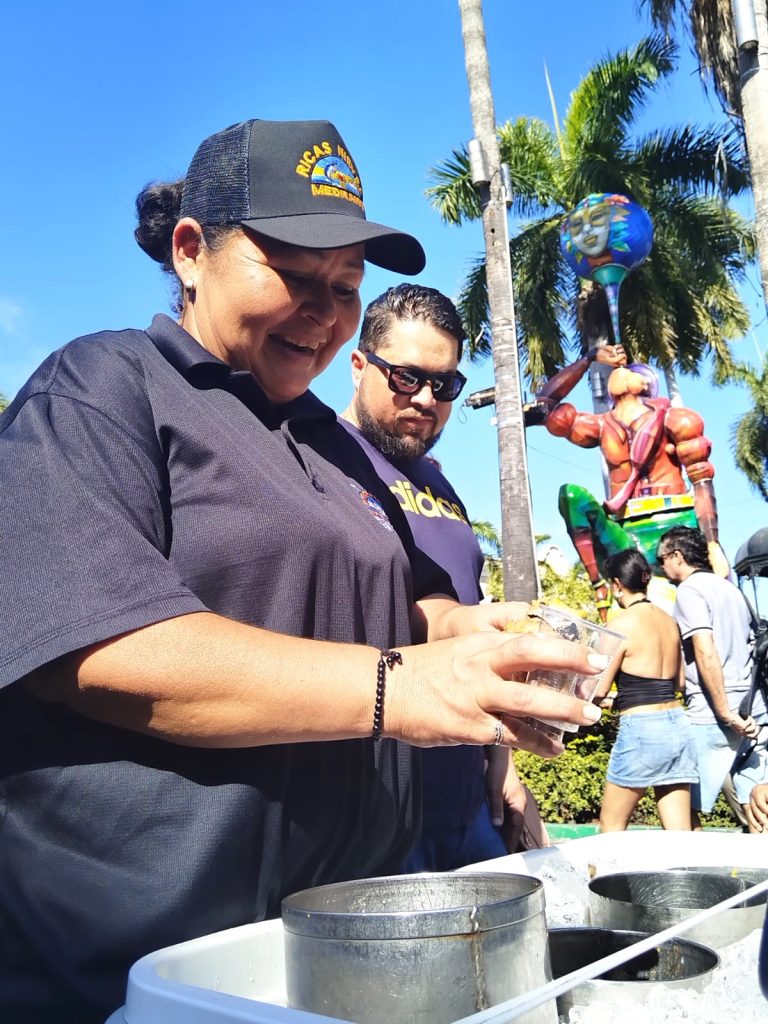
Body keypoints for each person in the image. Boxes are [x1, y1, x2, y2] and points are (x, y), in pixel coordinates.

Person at [0, 118, 604, 1024]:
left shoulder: (331, 442)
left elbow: (402, 608)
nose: (324, 310)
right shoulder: (105, 384)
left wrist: (471, 635)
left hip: (340, 953)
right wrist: (402, 689)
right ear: (192, 250)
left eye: (347, 285)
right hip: (147, 968)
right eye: (292, 270)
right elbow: (94, 644)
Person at [339, 283, 547, 869]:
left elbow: (463, 604)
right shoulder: (319, 458)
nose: (426, 398)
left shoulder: (439, 481)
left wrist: (501, 764)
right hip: (372, 807)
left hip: (466, 803)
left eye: (445, 384)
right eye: (405, 377)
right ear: (359, 366)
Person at [533, 343, 728, 618]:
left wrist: (712, 544)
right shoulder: (600, 426)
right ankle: (599, 586)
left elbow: (702, 479)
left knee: (698, 612)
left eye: (634, 369)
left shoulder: (677, 419)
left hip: (676, 529)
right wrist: (589, 359)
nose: (623, 370)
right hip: (627, 535)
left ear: (647, 384)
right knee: (571, 495)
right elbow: (544, 408)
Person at [657, 525, 768, 829]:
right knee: (756, 802)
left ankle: (688, 873)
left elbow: (705, 651)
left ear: (677, 556)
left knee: (682, 804)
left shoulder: (690, 591)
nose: (661, 567)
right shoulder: (730, 589)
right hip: (754, 705)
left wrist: (724, 712)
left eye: (661, 559)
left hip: (714, 713)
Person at [592, 549, 697, 831]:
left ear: (616, 584)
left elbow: (598, 689)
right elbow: (679, 684)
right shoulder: (669, 621)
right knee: (680, 836)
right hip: (677, 724)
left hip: (642, 730)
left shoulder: (619, 625)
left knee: (610, 830)